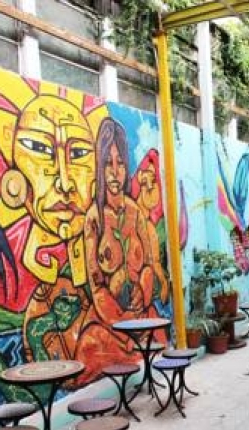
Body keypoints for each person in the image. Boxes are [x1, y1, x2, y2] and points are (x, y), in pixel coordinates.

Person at [74, 118, 166, 383]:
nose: (115, 171)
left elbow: (148, 265)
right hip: (108, 325)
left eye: (121, 163)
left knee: (159, 339)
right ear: (99, 167)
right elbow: (96, 285)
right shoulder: (94, 219)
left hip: (141, 316)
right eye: (108, 163)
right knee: (91, 351)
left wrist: (143, 292)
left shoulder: (136, 213)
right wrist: (122, 320)